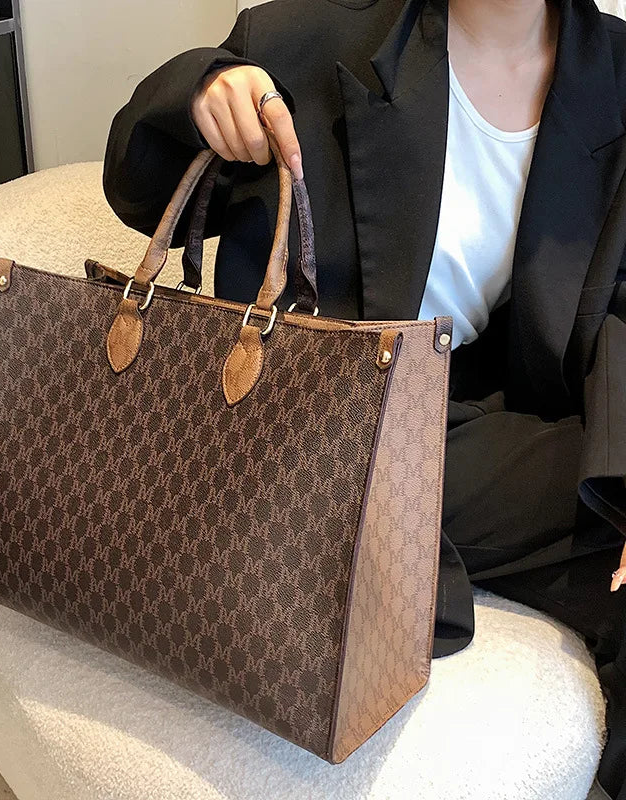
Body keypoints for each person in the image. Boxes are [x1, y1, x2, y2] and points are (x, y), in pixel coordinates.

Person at [102, 0, 626, 795]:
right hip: (319, 418)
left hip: (493, 414)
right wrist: (201, 89)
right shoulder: (306, 40)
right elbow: (137, 190)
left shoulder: (614, 74)